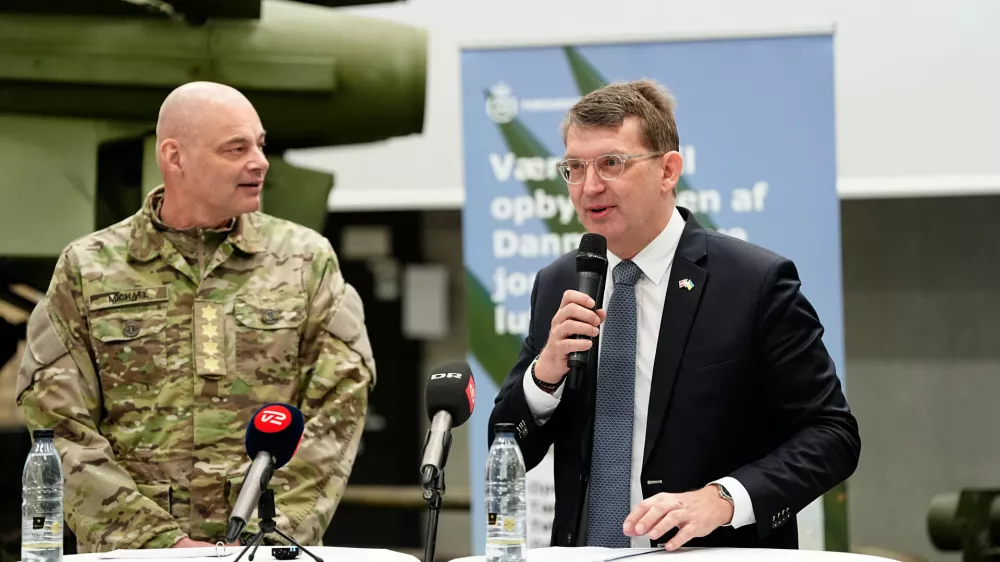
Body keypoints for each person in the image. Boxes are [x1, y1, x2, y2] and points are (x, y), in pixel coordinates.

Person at [488, 79, 861, 551]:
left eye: (611, 163)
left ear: (668, 170)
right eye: (574, 168)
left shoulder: (753, 282)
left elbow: (832, 435)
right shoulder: (559, 283)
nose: (589, 186)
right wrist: (544, 376)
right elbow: (506, 449)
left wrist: (725, 498)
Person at [16, 81, 376, 552]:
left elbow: (338, 406)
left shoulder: (306, 261)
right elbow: (57, 420)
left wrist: (267, 537)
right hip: (134, 556)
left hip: (269, 552)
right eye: (236, 148)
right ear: (175, 157)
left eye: (260, 145)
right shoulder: (89, 268)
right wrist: (157, 543)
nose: (259, 161)